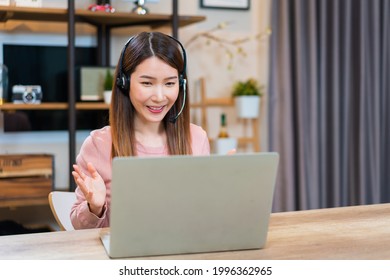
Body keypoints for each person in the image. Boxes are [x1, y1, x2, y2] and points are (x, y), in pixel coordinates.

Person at [70, 32, 210, 229]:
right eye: (147, 83)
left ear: (181, 85)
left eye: (170, 83)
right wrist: (94, 207)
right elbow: (78, 229)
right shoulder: (99, 144)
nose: (160, 96)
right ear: (124, 83)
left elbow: (201, 218)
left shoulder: (196, 138)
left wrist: (219, 195)